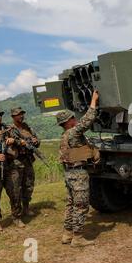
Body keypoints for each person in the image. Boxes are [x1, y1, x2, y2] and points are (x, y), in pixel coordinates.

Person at [56, 91, 100, 248]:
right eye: (73, 118)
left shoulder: (64, 136)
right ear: (68, 122)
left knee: (71, 204)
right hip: (78, 174)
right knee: (81, 205)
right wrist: (93, 101)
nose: (75, 120)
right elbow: (87, 121)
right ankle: (78, 238)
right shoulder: (73, 133)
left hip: (69, 174)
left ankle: (67, 234)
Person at [11, 107, 40, 216]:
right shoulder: (10, 130)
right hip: (16, 162)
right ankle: (16, 212)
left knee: (28, 185)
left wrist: (35, 141)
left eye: (22, 114)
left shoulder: (28, 128)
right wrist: (19, 143)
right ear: (13, 117)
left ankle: (26, 208)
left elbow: (37, 141)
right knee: (16, 187)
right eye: (18, 114)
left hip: (28, 161)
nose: (21, 116)